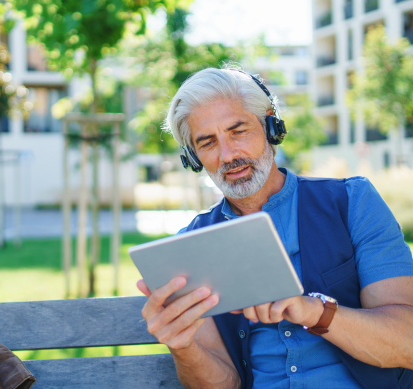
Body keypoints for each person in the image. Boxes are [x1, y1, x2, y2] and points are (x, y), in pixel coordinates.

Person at [137, 67, 413, 389]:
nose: (228, 155)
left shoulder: (353, 203)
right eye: (208, 142)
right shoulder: (191, 246)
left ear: (271, 125)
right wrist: (183, 346)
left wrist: (311, 311)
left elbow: (406, 343)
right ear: (193, 157)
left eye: (238, 131)